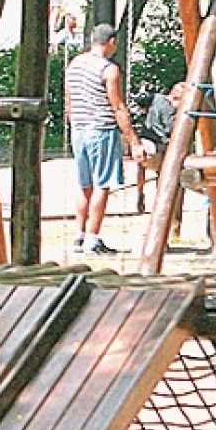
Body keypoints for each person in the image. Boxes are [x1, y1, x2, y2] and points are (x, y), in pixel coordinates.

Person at [64, 23, 150, 256]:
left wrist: (75, 124)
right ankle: (93, 239)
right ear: (111, 42)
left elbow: (69, 101)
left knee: (85, 185)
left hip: (79, 130)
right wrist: (133, 141)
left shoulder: (75, 64)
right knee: (102, 185)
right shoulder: (109, 70)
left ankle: (79, 234)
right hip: (101, 129)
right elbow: (118, 107)